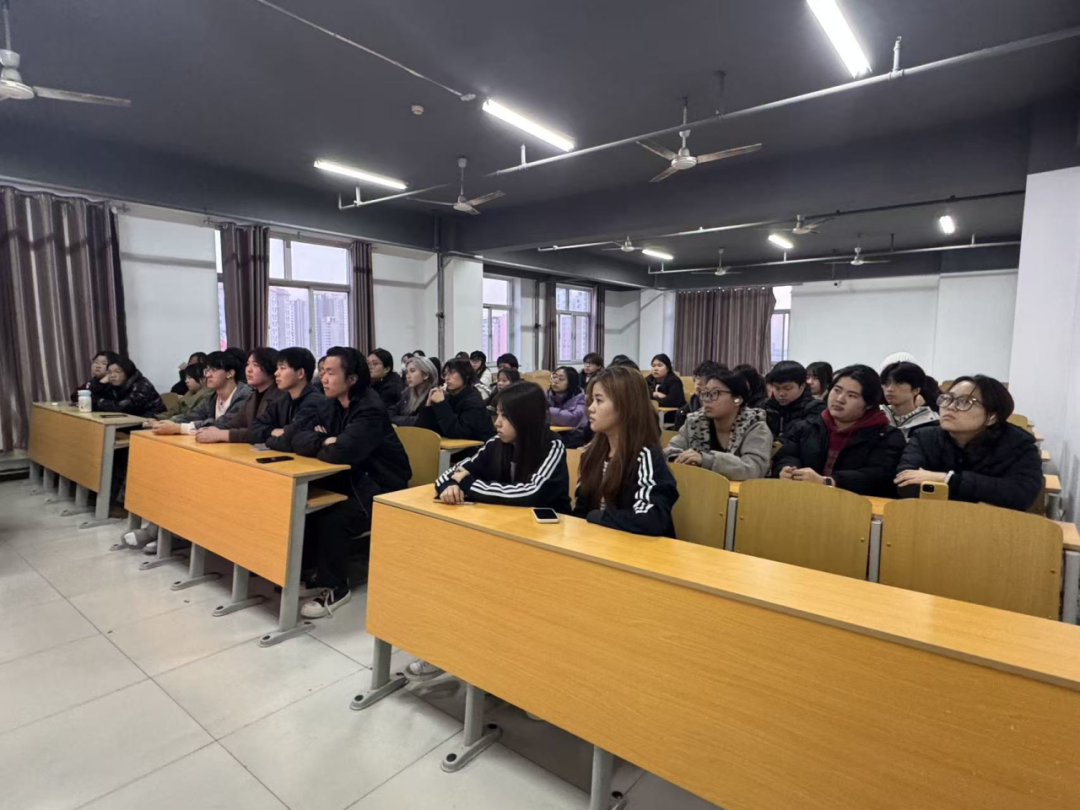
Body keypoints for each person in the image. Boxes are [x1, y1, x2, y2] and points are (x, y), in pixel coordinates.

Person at [406, 381, 572, 682]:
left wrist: (468, 484)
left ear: (526, 418)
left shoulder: (552, 446)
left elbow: (529, 493)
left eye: (505, 416)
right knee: (456, 579)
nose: (497, 423)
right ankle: (447, 649)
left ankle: (514, 665)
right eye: (497, 414)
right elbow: (446, 475)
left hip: (545, 544)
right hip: (501, 535)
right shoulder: (496, 444)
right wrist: (452, 485)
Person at [290, 347, 412, 617]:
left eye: (331, 373)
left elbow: (343, 452)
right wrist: (325, 440)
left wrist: (328, 443)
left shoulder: (370, 409)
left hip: (383, 488)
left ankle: (336, 587)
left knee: (333, 516)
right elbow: (296, 437)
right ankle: (315, 573)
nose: (323, 378)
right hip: (353, 481)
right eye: (322, 372)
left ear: (352, 379)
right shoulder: (331, 403)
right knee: (307, 505)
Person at [894, 376, 1042, 511]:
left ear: (991, 416)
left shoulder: (1018, 445)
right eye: (947, 399)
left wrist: (947, 479)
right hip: (932, 518)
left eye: (965, 402)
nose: (950, 407)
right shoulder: (925, 437)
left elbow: (1021, 495)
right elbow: (905, 483)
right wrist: (982, 494)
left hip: (993, 525)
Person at [572, 366, 678, 536]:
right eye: (592, 400)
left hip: (637, 546)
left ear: (624, 406)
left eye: (599, 400)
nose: (591, 408)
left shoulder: (646, 455)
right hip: (598, 542)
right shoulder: (591, 452)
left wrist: (597, 517)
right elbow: (581, 510)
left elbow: (652, 519)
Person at [772, 364, 905, 497]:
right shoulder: (807, 426)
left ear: (869, 404)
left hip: (857, 504)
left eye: (852, 395)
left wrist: (829, 482)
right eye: (837, 390)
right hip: (805, 499)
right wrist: (787, 469)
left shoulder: (887, 436)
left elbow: (878, 476)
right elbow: (787, 455)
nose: (840, 399)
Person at [664, 367, 771, 480]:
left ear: (737, 399)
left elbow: (754, 469)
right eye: (704, 393)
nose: (707, 399)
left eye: (715, 393)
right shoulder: (694, 422)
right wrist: (678, 459)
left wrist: (707, 460)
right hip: (698, 487)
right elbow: (670, 450)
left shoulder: (755, 426)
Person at [193, 347, 286, 444]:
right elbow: (233, 423)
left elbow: (261, 432)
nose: (249, 370)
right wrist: (209, 430)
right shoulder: (253, 397)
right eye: (247, 364)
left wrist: (222, 434)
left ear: (271, 368)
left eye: (255, 365)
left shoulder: (280, 396)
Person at [147, 350, 252, 435]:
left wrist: (179, 428)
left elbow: (224, 423)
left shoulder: (246, 395)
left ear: (230, 373)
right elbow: (191, 415)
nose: (207, 375)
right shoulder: (213, 398)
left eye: (214, 370)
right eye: (207, 370)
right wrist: (165, 423)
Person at [254, 346, 324, 451]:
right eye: (277, 368)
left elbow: (289, 441)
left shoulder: (314, 402)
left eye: (282, 368)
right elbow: (253, 429)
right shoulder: (282, 400)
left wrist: (269, 439)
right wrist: (276, 432)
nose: (276, 373)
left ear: (300, 373)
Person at [417, 358, 496, 440]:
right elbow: (425, 428)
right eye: (445, 374)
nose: (447, 378)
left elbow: (457, 432)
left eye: (452, 373)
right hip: (452, 444)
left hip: (478, 445)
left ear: (466, 374)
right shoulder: (449, 396)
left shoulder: (474, 401)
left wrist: (441, 403)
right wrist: (428, 406)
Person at [764, 360, 826, 438]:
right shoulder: (766, 407)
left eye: (787, 388)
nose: (781, 394)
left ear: (802, 386)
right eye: (777, 388)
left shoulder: (815, 409)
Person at [881, 361, 939, 440]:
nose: (889, 389)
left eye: (899, 383)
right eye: (886, 383)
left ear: (916, 390)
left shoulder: (931, 423)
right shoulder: (876, 417)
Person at [92, 357, 165, 418]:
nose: (112, 375)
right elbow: (92, 401)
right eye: (110, 372)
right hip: (130, 419)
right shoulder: (114, 384)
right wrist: (101, 384)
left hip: (154, 419)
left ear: (128, 372)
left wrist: (100, 402)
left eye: (118, 371)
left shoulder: (141, 385)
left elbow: (121, 408)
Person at [389, 354, 439, 427]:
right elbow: (390, 413)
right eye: (406, 372)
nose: (408, 376)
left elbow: (421, 422)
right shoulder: (407, 394)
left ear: (425, 375)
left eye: (412, 371)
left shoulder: (435, 395)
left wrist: (398, 420)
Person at [673, 360, 724, 430]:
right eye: (697, 378)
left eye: (705, 379)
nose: (698, 383)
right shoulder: (683, 412)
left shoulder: (724, 412)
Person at [547, 366, 588, 448]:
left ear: (571, 382)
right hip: (551, 433)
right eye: (554, 377)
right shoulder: (547, 394)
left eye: (561, 379)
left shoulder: (579, 397)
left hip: (573, 435)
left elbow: (572, 419)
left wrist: (547, 411)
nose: (555, 381)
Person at [647, 354, 687, 418]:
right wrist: (654, 394)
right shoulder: (648, 380)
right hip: (653, 413)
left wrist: (652, 399)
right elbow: (642, 396)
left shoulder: (674, 381)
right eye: (653, 366)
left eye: (659, 366)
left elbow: (672, 401)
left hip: (673, 415)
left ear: (668, 368)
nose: (656, 369)